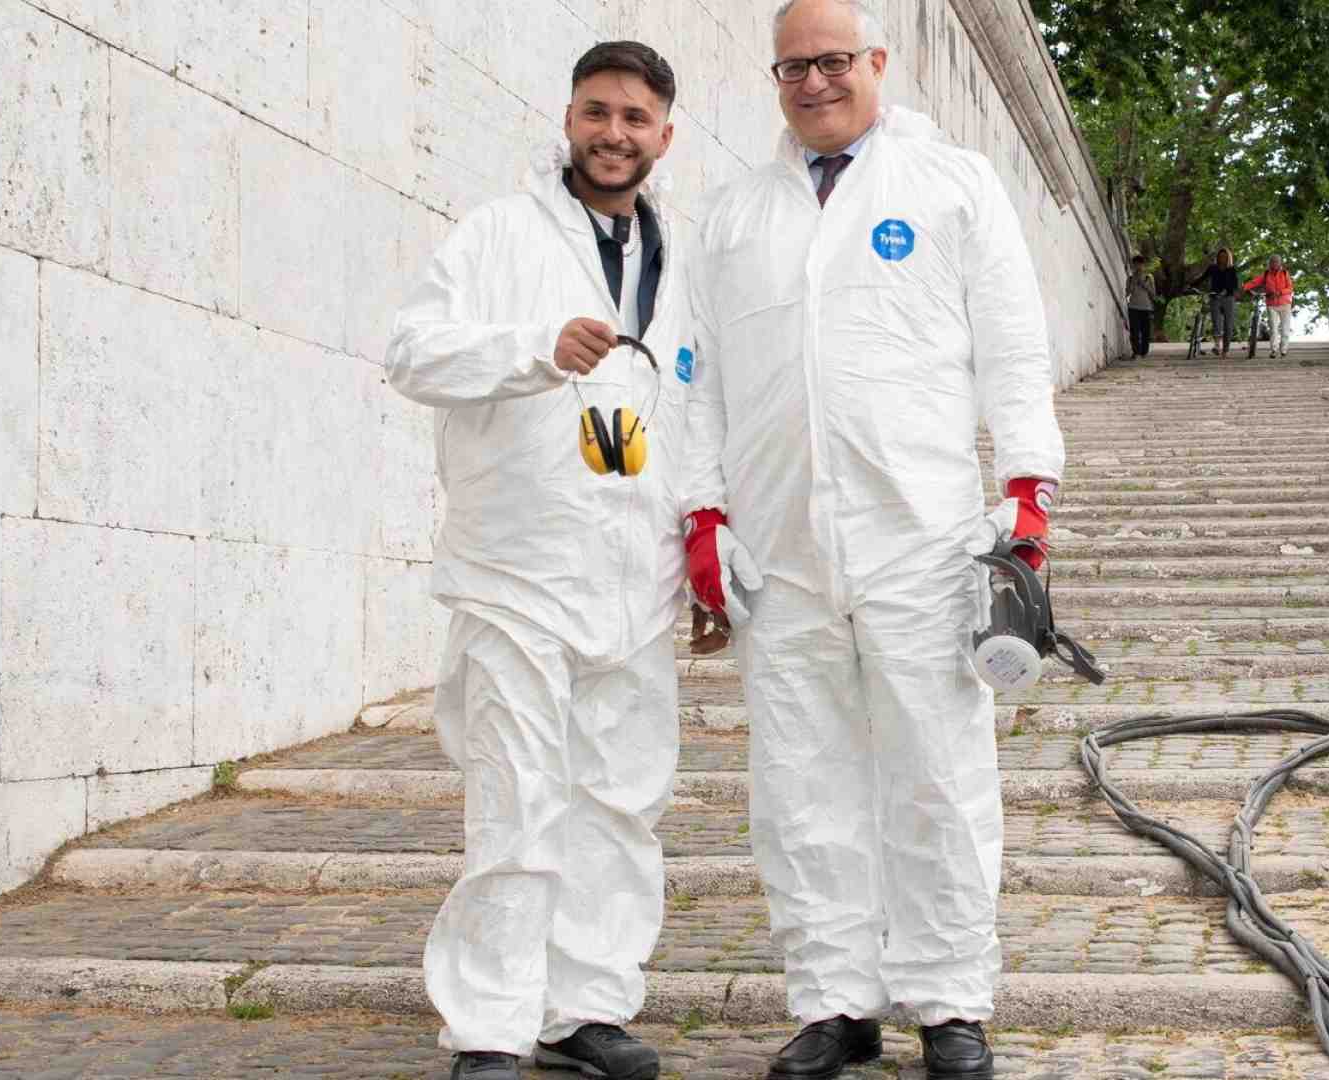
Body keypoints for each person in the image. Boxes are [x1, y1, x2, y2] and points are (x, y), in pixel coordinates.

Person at [682, 2, 1067, 1077]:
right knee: (801, 781)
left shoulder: (951, 184)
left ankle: (949, 1000)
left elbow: (1013, 344)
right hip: (783, 547)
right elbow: (695, 377)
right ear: (775, 77)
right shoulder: (734, 216)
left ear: (877, 63)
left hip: (922, 539)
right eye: (793, 66)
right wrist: (702, 511)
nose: (814, 82)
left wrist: (1029, 488)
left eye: (833, 60)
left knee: (938, 770)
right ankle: (834, 1002)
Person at [385, 40, 692, 1080]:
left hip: (634, 573)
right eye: (597, 112)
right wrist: (529, 350)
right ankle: (492, 1023)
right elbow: (411, 352)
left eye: (635, 118)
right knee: (515, 795)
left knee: (619, 800)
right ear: (568, 116)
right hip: (518, 568)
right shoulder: (497, 236)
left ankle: (587, 1007)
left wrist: (704, 541)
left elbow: (701, 410)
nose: (614, 134)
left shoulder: (680, 258)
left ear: (664, 134)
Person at [1191, 247, 1240, 356]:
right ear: (1217, 258)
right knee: (1216, 322)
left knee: (1228, 324)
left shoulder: (1232, 269)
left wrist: (1226, 291)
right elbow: (1202, 278)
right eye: (1220, 256)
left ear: (1228, 258)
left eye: (1224, 257)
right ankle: (1218, 345)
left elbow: (1235, 285)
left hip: (1228, 298)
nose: (1222, 258)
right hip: (1215, 297)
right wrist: (1192, 285)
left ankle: (1226, 349)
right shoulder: (1212, 268)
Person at [1244, 255, 1296, 357]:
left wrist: (1280, 292)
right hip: (1271, 304)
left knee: (1285, 329)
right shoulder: (1266, 274)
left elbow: (1290, 288)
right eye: (1272, 262)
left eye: (1276, 262)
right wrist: (1244, 287)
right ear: (1269, 263)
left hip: (1285, 304)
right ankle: (1273, 350)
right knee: (1273, 328)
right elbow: (1255, 282)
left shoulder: (1285, 273)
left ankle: (1284, 349)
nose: (1274, 264)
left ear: (1280, 263)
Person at [1126, 254, 1156, 357]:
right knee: (1134, 331)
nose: (1138, 267)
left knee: (1145, 331)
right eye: (1135, 265)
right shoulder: (1130, 278)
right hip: (1133, 307)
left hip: (1146, 307)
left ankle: (1144, 352)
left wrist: (1144, 284)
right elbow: (1127, 293)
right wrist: (1134, 282)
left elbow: (1153, 294)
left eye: (1140, 264)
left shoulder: (1149, 277)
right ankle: (1136, 352)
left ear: (1143, 265)